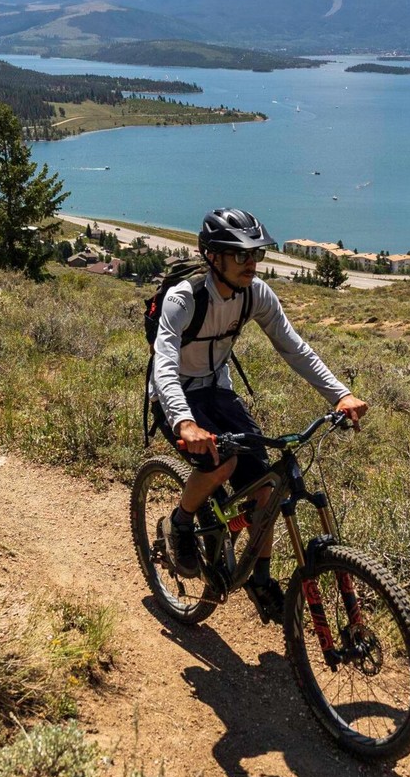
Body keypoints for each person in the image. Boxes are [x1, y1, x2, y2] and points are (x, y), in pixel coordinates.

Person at [149, 207, 368, 622]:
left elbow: (294, 348)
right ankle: (181, 522)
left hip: (217, 390)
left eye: (256, 254)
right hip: (175, 395)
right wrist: (184, 422)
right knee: (221, 462)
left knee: (265, 487)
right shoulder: (184, 298)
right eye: (240, 255)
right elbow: (164, 363)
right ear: (213, 256)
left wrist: (340, 394)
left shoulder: (256, 294)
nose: (251, 263)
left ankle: (260, 578)